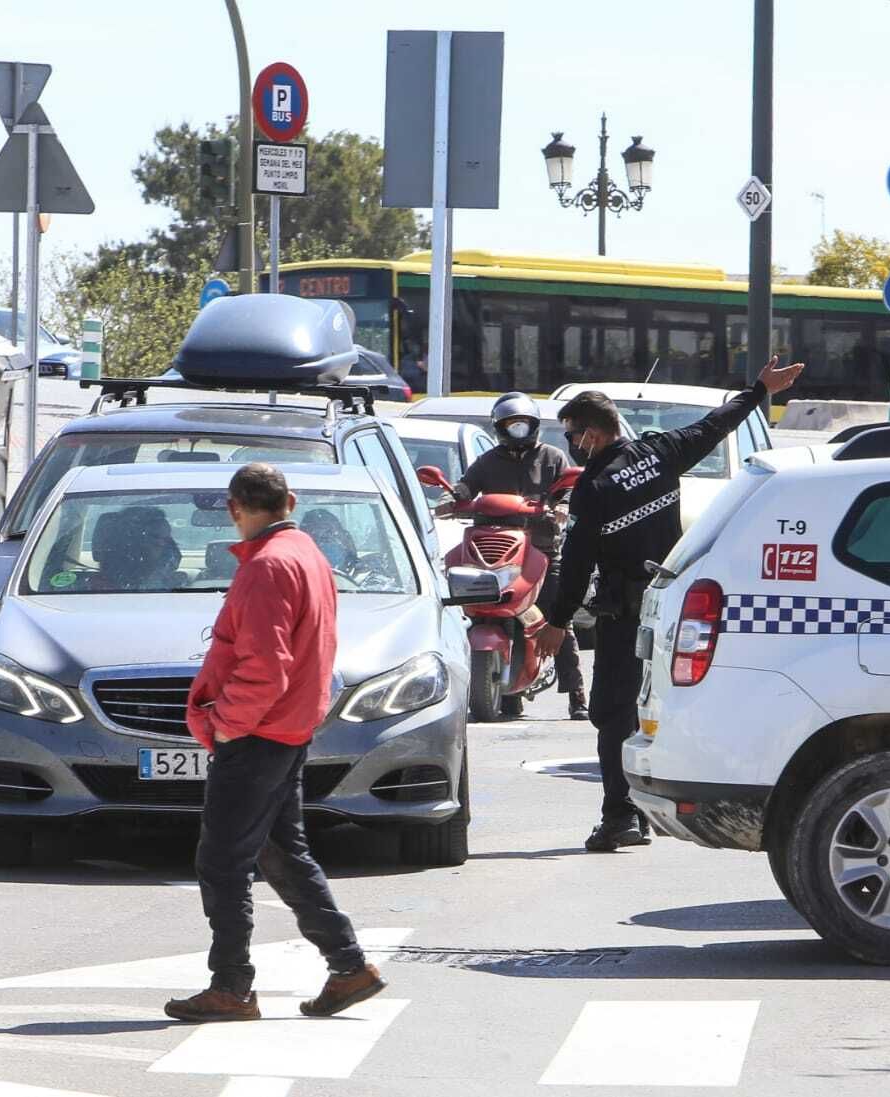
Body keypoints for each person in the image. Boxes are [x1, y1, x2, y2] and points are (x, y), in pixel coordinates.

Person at [533, 357, 805, 852]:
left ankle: (621, 816)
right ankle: (642, 810)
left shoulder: (593, 490)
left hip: (623, 617)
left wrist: (555, 621)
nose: (572, 444)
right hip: (670, 610)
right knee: (651, 711)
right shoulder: (661, 454)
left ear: (593, 432)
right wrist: (759, 389)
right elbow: (715, 425)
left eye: (574, 433)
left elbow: (574, 565)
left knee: (613, 716)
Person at [168, 463, 385, 1023]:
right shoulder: (306, 553)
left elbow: (266, 665)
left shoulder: (267, 566)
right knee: (282, 852)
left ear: (235, 508)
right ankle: (348, 966)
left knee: (222, 861)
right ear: (289, 501)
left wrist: (226, 723)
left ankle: (233, 987)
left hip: (260, 732)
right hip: (284, 728)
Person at [438, 391, 587, 720]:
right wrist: (454, 498)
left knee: (558, 617)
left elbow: (568, 490)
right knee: (470, 608)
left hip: (541, 550)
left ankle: (576, 694)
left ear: (533, 426)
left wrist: (560, 508)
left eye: (523, 424)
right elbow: (466, 485)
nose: (517, 430)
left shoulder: (552, 457)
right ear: (499, 427)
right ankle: (503, 692)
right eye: (510, 424)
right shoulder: (488, 461)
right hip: (493, 553)